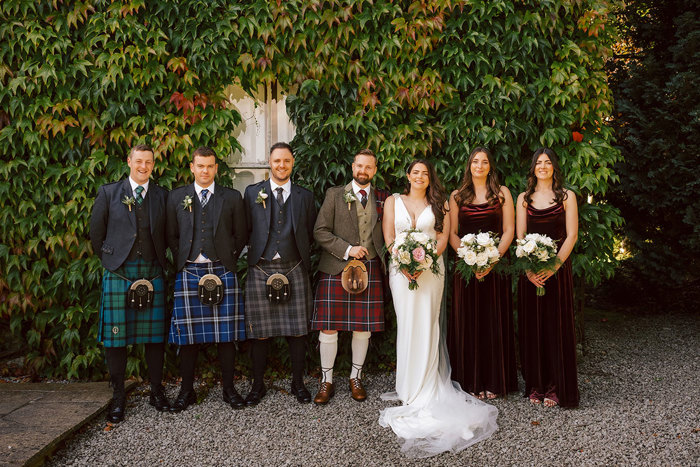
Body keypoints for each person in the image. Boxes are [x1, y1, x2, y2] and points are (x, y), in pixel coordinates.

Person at [379, 159, 498, 457]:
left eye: (425, 173)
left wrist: (425, 261)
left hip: (432, 271)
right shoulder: (394, 201)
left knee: (428, 323)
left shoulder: (441, 203)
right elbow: (389, 237)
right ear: (408, 175)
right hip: (401, 271)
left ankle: (428, 384)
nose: (420, 176)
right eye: (415, 172)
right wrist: (405, 263)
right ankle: (408, 388)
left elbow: (444, 237)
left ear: (431, 177)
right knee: (407, 324)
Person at [90, 144, 170, 422]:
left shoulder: (162, 195)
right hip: (120, 273)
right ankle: (118, 397)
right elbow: (96, 234)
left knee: (155, 338)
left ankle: (156, 391)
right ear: (129, 161)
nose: (143, 166)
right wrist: (111, 261)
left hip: (152, 272)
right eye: (139, 161)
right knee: (116, 340)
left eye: (148, 162)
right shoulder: (109, 192)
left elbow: (170, 233)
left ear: (153, 164)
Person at [166, 146, 247, 412]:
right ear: (192, 167)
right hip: (189, 270)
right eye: (200, 166)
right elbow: (171, 234)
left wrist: (226, 256)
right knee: (187, 337)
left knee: (226, 336)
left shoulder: (232, 197)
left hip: (222, 269)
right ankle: (186, 391)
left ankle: (228, 389)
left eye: (210, 166)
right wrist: (184, 256)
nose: (205, 170)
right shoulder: (177, 197)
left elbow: (241, 233)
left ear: (216, 168)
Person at [310, 149, 390, 405]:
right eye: (359, 166)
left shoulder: (384, 198)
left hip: (370, 270)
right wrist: (347, 249)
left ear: (374, 170)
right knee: (329, 326)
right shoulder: (335, 194)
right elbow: (320, 231)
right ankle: (327, 380)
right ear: (352, 166)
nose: (362, 171)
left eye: (368, 167)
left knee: (362, 327)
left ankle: (356, 378)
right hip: (336, 267)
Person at [243, 142, 316, 405]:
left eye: (286, 161)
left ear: (292, 163)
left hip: (294, 266)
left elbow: (308, 231)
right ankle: (257, 385)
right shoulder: (252, 193)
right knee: (259, 332)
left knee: (298, 331)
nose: (281, 166)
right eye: (276, 161)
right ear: (269, 163)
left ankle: (298, 383)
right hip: (261, 267)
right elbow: (246, 229)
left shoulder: (304, 196)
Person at [447, 148, 518, 400]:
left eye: (484, 161)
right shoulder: (456, 196)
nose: (479, 165)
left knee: (493, 320)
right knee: (468, 321)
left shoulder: (502, 194)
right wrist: (470, 259)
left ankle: (494, 381)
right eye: (475, 161)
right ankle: (469, 382)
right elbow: (452, 233)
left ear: (490, 166)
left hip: (496, 267)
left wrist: (491, 259)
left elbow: (509, 230)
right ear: (469, 165)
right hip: (466, 270)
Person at [516, 147, 579, 408]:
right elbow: (520, 238)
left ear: (554, 166)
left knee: (555, 328)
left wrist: (553, 267)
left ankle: (555, 387)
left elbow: (571, 235)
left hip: (557, 272)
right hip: (531, 275)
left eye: (548, 162)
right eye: (539, 162)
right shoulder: (523, 198)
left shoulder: (567, 196)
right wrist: (530, 271)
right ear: (533, 168)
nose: (543, 166)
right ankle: (536, 385)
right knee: (533, 329)